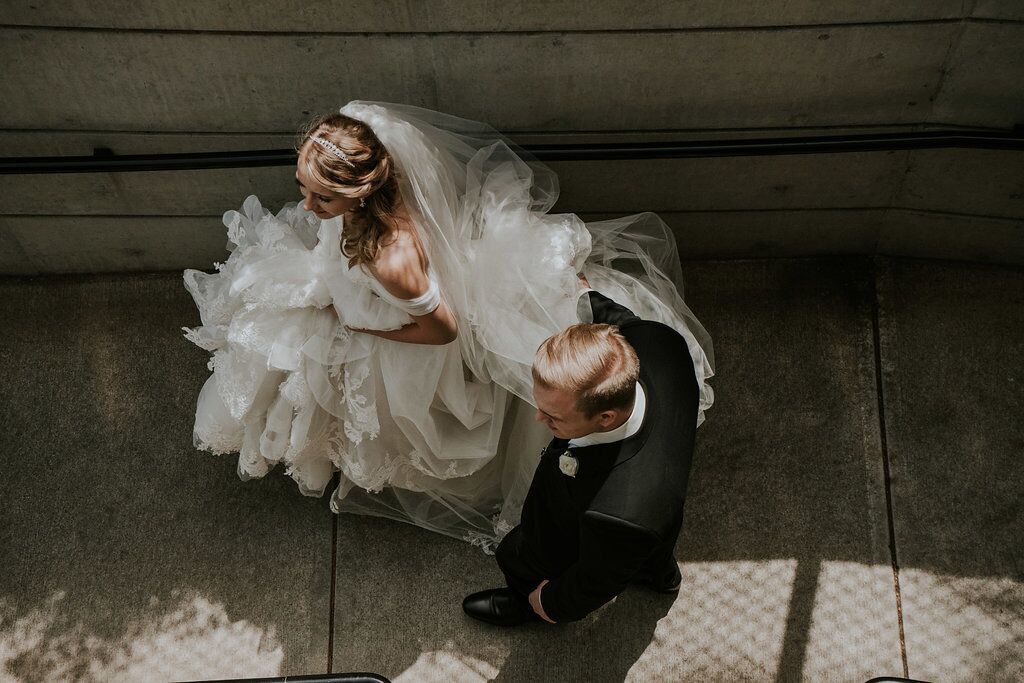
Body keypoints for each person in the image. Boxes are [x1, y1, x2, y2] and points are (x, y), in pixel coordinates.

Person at [183, 101, 713, 550]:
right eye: (304, 186)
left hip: (397, 337)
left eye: (323, 197)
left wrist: (369, 332)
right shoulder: (361, 148)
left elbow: (442, 329)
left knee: (354, 395)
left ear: (363, 193)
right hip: (353, 296)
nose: (306, 205)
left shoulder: (392, 262)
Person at [462, 286, 698, 625]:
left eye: (554, 417)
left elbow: (594, 582)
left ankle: (524, 606)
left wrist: (548, 602)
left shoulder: (619, 515)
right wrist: (582, 292)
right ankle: (661, 574)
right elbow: (621, 321)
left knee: (525, 558)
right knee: (649, 550)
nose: (538, 419)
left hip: (594, 530)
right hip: (660, 500)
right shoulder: (657, 340)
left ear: (606, 418)